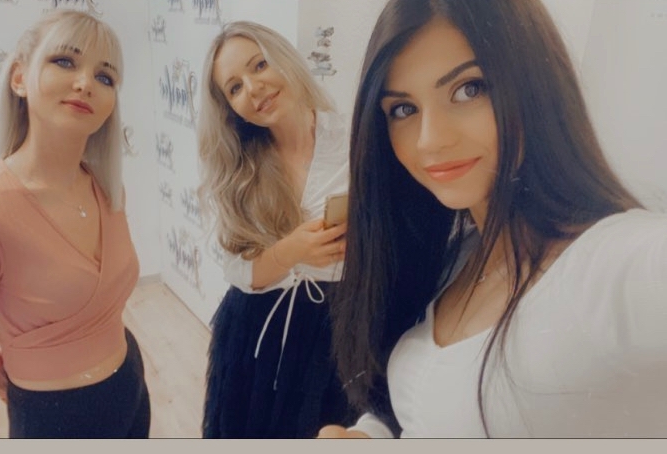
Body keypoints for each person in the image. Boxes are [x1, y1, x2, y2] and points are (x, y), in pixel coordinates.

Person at [318, 0, 667, 438]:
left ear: (536, 86)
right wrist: (369, 435)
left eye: (469, 89)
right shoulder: (454, 257)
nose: (430, 141)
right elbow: (426, 406)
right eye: (404, 110)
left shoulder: (612, 264)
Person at [0, 10, 150, 438]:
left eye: (105, 77)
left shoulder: (107, 190)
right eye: (64, 61)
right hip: (52, 416)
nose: (85, 83)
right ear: (19, 78)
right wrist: (29, 395)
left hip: (129, 384)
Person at [197, 21, 357, 438]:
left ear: (284, 58)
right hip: (257, 331)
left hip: (338, 330)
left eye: (260, 65)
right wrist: (292, 251)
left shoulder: (354, 140)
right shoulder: (239, 166)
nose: (254, 89)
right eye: (234, 87)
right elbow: (238, 272)